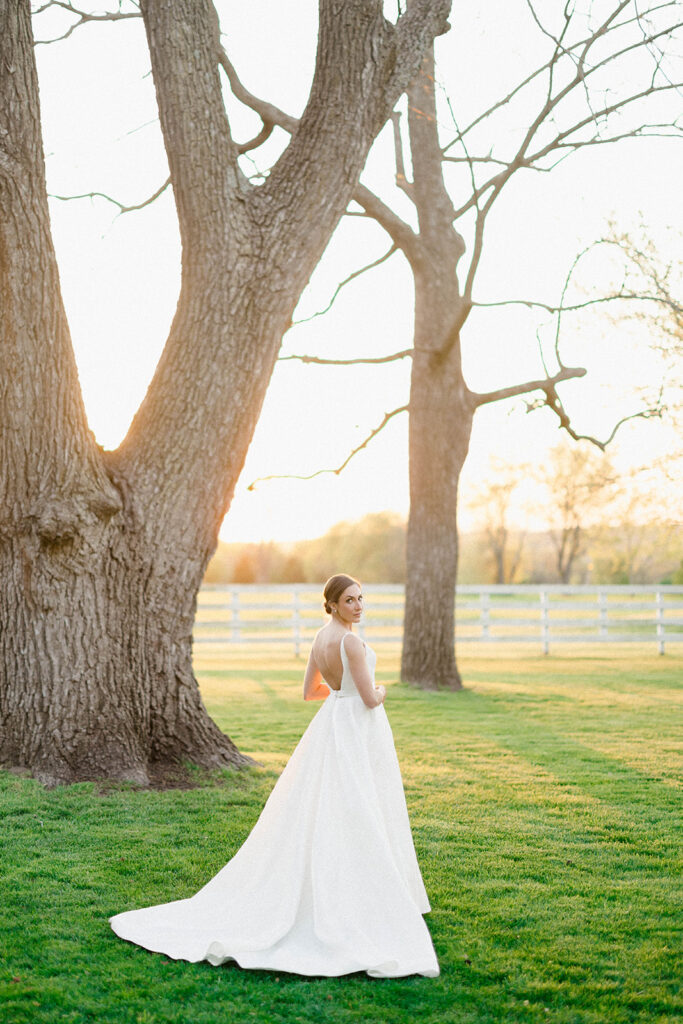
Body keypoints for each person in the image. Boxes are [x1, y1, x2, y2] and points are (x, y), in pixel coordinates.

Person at [109, 573, 439, 978]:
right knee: (361, 803)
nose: (358, 606)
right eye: (350, 600)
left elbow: (311, 692)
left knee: (336, 803)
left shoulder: (320, 639)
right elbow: (370, 699)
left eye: (361, 598)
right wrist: (381, 689)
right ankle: (365, 892)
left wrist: (341, 694)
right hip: (356, 727)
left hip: (333, 721)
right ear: (332, 604)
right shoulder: (350, 641)